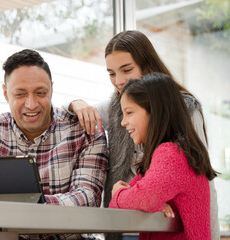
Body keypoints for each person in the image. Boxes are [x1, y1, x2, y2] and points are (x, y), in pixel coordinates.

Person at [64, 30, 220, 240]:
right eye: (111, 73)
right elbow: (66, 115)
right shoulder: (117, 107)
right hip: (133, 223)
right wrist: (76, 103)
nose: (118, 81)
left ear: (148, 65)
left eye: (126, 69)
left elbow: (200, 186)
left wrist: (126, 195)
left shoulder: (174, 142)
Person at [0, 49, 108, 240]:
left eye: (40, 93)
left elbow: (87, 201)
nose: (31, 104)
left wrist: (16, 205)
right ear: (6, 94)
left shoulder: (84, 132)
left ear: (52, 89)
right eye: (20, 94)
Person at [109, 73, 218, 240]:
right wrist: (151, 201)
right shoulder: (167, 157)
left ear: (154, 112)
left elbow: (143, 199)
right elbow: (119, 208)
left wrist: (118, 192)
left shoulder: (172, 154)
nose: (123, 122)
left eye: (129, 112)